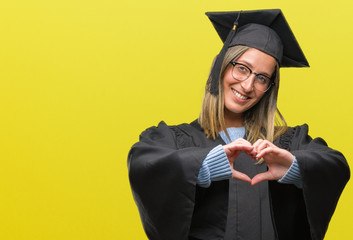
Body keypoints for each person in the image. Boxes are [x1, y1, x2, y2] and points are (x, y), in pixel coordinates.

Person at [127, 9, 350, 240]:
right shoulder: (176, 139)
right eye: (242, 68)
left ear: (269, 88)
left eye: (262, 78)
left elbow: (335, 164)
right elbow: (144, 163)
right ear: (220, 66)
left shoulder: (286, 142)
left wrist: (294, 166)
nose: (247, 85)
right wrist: (205, 165)